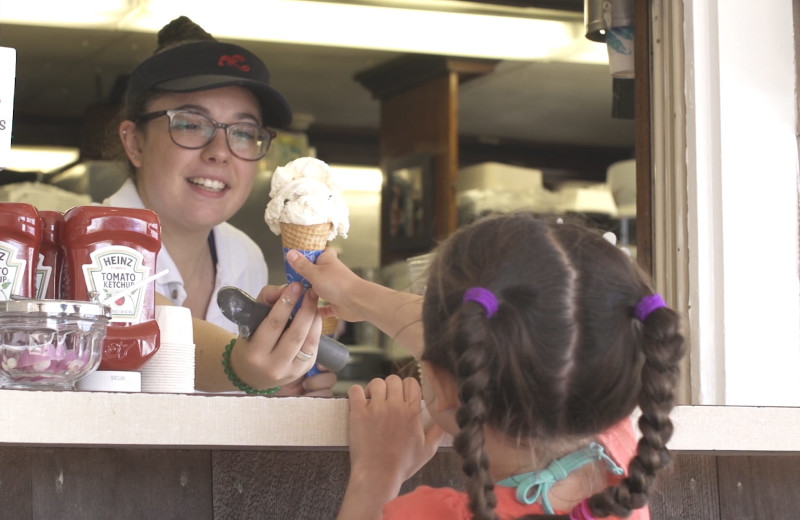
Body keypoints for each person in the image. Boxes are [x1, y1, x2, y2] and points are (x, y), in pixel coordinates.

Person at [288, 212, 686, 519]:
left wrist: (374, 475)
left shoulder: (426, 515)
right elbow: (522, 339)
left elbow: (483, 338)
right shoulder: (618, 456)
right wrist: (358, 293)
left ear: (447, 392)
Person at [105, 16, 336, 396]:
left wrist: (281, 390)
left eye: (243, 133)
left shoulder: (243, 255)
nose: (219, 153)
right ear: (135, 143)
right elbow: (150, 323)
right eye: (192, 124)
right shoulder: (84, 244)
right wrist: (248, 370)